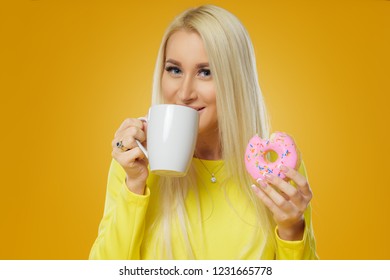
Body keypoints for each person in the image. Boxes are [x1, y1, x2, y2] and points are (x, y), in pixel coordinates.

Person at [89, 5, 318, 260]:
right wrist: (134, 185)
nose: (185, 93)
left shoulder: (275, 171)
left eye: (205, 72)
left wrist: (292, 229)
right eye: (174, 70)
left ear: (235, 81)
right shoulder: (133, 162)